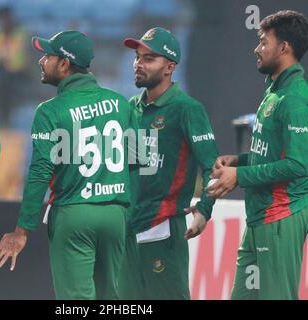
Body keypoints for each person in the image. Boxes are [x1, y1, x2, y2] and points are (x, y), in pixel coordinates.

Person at [0, 30, 138, 300]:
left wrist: (22, 230)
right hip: (116, 215)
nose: (40, 61)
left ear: (65, 64)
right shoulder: (122, 104)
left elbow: (40, 171)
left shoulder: (50, 110)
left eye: (47, 55)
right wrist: (128, 213)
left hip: (74, 214)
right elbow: (142, 162)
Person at [207, 10, 308, 300]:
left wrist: (239, 176)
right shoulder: (275, 91)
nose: (257, 49)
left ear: (284, 48)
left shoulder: (293, 98)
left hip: (281, 215)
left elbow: (297, 165)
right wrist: (239, 161)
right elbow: (271, 154)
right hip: (261, 216)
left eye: (263, 42)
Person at [118, 27, 219, 299]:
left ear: (169, 67)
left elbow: (213, 167)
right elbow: (130, 168)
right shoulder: (131, 108)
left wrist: (204, 210)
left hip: (163, 229)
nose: (139, 64)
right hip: (126, 231)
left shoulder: (187, 109)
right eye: (137, 57)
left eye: (148, 58)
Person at [0, 6, 33, 128]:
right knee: (1, 83)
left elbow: (28, 58)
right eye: (0, 19)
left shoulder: (23, 34)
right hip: (2, 74)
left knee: (5, 85)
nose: (3, 22)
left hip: (22, 74)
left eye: (5, 18)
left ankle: (5, 120)